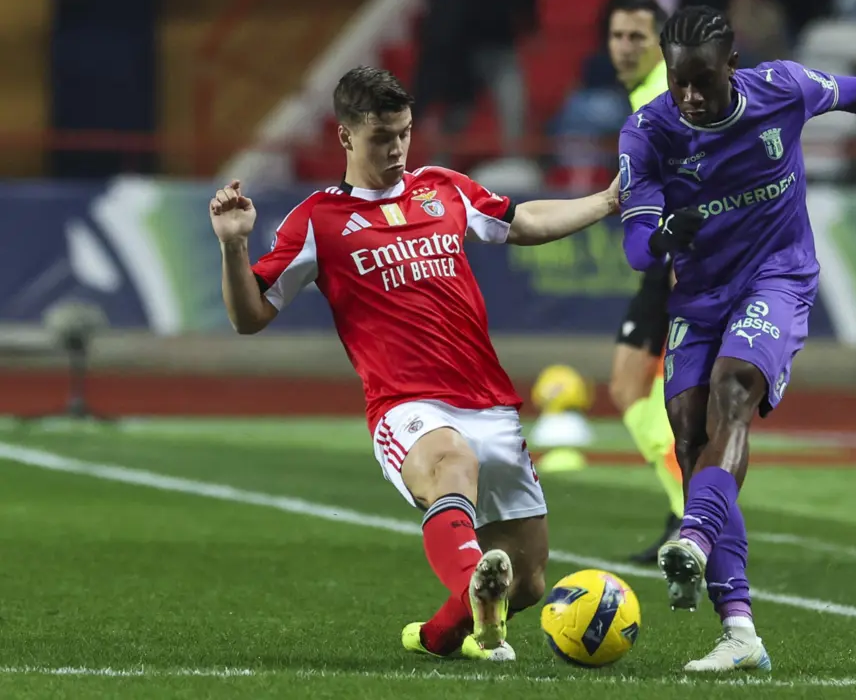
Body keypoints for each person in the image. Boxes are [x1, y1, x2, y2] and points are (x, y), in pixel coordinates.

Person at [209, 66, 619, 663]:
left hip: (490, 403)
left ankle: (439, 633)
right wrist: (233, 245)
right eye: (381, 137)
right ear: (346, 138)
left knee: (528, 583)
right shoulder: (318, 221)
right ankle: (473, 584)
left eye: (403, 132)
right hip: (407, 405)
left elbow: (520, 221)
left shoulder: (445, 189)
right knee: (452, 464)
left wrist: (607, 200)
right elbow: (250, 316)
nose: (397, 147)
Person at [617, 5, 856, 672]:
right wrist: (664, 237)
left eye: (703, 81)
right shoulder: (648, 131)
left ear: (733, 67)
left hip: (776, 279)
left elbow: (854, 91)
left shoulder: (780, 88)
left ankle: (693, 537)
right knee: (690, 438)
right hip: (697, 298)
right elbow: (638, 245)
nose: (690, 97)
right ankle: (740, 633)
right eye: (678, 81)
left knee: (733, 394)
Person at [606, 0, 686, 563]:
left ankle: (692, 516)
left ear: (660, 43)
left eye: (638, 36)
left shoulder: (666, 94)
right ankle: (685, 512)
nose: (626, 47)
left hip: (681, 261)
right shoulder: (644, 93)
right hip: (664, 259)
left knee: (649, 391)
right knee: (631, 388)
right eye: (618, 36)